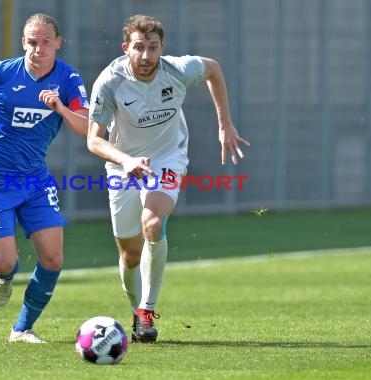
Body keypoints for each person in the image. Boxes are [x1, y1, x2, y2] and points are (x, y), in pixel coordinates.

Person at [87, 14, 250, 343]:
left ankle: (147, 311)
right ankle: (136, 312)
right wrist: (126, 160)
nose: (146, 56)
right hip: (123, 165)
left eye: (153, 48)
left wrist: (225, 124)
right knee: (129, 254)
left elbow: (213, 69)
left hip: (167, 158)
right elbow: (94, 140)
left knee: (153, 225)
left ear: (162, 48)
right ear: (126, 48)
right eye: (139, 48)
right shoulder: (110, 81)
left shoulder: (177, 69)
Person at [0, 13, 89, 343]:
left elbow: (86, 128)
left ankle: (22, 329)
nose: (39, 49)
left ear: (57, 43)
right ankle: (2, 277)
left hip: (35, 179)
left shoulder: (69, 79)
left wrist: (60, 108)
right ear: (23, 42)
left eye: (46, 42)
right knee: (6, 262)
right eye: (32, 42)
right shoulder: (1, 73)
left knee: (53, 257)